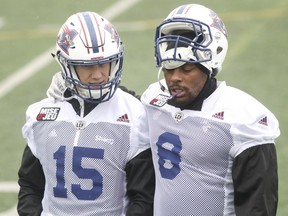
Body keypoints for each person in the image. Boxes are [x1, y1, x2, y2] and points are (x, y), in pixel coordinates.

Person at [137, 3, 280, 216]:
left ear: (210, 64)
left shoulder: (243, 120)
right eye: (169, 67)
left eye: (187, 68)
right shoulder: (153, 100)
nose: (175, 77)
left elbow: (258, 207)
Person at [17, 11, 154, 216]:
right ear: (67, 65)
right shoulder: (42, 115)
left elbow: (142, 198)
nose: (98, 74)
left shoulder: (136, 116)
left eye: (104, 63)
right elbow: (30, 187)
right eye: (87, 66)